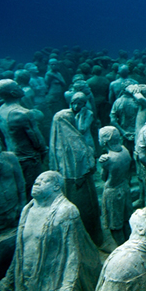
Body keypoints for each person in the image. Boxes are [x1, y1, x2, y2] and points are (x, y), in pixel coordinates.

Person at [0, 171, 102, 291]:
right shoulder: (28, 209)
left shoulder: (66, 211)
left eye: (43, 181)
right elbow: (20, 250)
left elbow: (73, 256)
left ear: (56, 187)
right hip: (26, 280)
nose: (36, 183)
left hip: (52, 281)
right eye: (36, 181)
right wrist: (8, 282)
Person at [49, 93, 103, 247]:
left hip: (67, 183)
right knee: (86, 211)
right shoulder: (76, 142)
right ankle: (93, 237)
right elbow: (88, 162)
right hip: (81, 183)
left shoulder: (56, 142)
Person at [0, 79, 47, 200]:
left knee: (21, 188)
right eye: (17, 86)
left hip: (12, 154)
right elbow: (37, 139)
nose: (20, 87)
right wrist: (43, 151)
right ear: (13, 93)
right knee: (35, 190)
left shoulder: (0, 110)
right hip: (28, 157)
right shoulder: (23, 113)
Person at [98, 126, 133, 246]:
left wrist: (102, 166)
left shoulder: (108, 159)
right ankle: (129, 243)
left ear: (105, 140)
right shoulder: (125, 150)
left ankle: (121, 247)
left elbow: (103, 177)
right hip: (124, 187)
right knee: (126, 220)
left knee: (115, 224)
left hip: (112, 191)